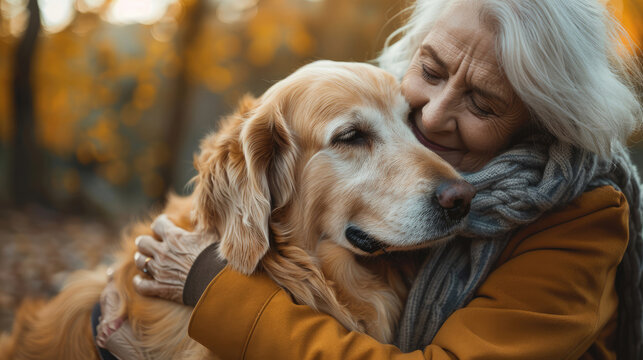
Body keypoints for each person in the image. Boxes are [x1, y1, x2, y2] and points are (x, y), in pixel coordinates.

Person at [96, 0, 643, 358]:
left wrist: (215, 290)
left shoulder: (580, 220)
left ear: (543, 122)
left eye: (482, 102)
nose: (428, 118)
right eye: (429, 72)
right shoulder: (373, 93)